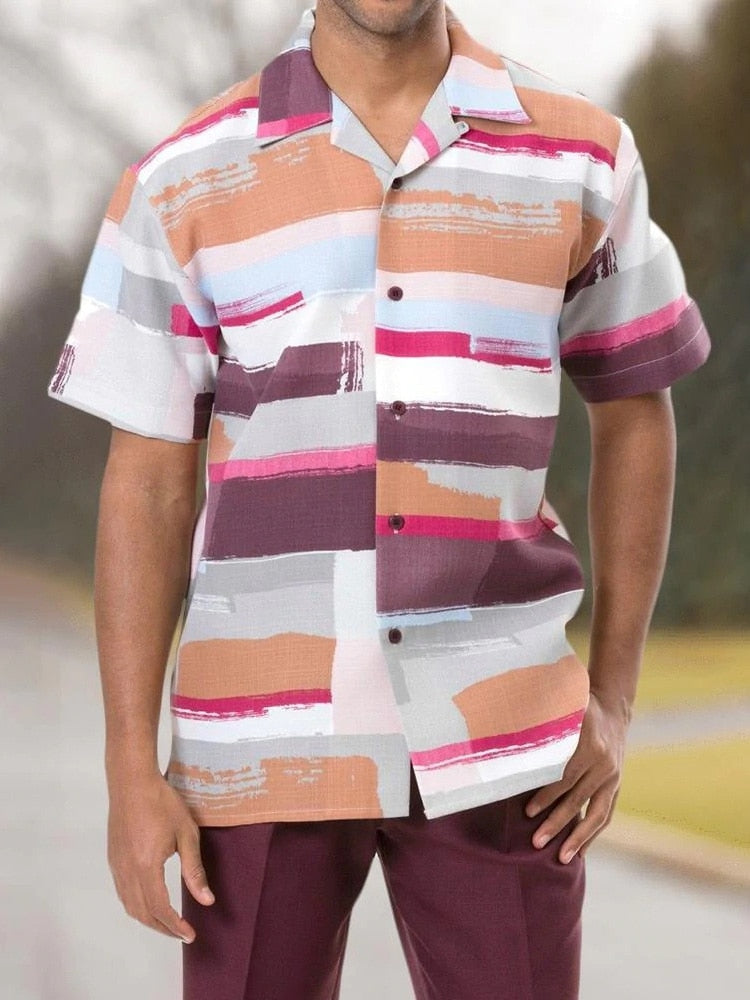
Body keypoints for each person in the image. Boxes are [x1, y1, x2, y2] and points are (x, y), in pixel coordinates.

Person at [47, 2, 711, 998]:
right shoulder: (181, 178)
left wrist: (614, 701)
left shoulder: (583, 158)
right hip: (260, 744)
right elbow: (145, 482)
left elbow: (636, 409)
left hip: (503, 739)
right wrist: (128, 769)